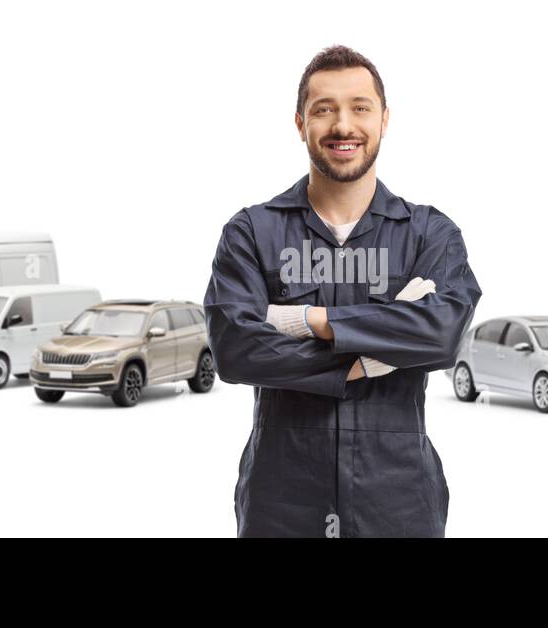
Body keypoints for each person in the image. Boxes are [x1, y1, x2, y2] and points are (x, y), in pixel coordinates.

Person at [203, 45, 482, 537]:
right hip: (281, 501)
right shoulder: (251, 231)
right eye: (324, 109)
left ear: (384, 119)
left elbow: (442, 335)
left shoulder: (429, 233)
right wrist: (370, 357)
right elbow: (236, 349)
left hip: (398, 500)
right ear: (300, 123)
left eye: (359, 107)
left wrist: (309, 321)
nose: (343, 125)